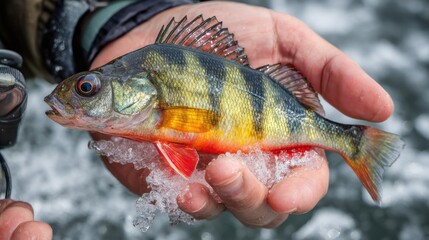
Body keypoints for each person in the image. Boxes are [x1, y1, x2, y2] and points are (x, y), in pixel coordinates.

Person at [0, 0, 394, 238]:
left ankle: (353, 142)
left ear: (139, 88)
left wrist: (112, 21)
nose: (77, 97)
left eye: (89, 89)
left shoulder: (156, 100)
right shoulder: (147, 105)